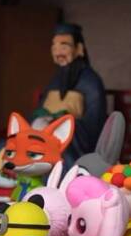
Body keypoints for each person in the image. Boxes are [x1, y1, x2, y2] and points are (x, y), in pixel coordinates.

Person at [37, 23, 107, 168]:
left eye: (64, 47)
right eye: (54, 47)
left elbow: (94, 123)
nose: (58, 52)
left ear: (79, 49)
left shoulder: (91, 81)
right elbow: (41, 109)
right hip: (46, 133)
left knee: (60, 154)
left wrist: (62, 123)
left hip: (73, 139)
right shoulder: (56, 79)